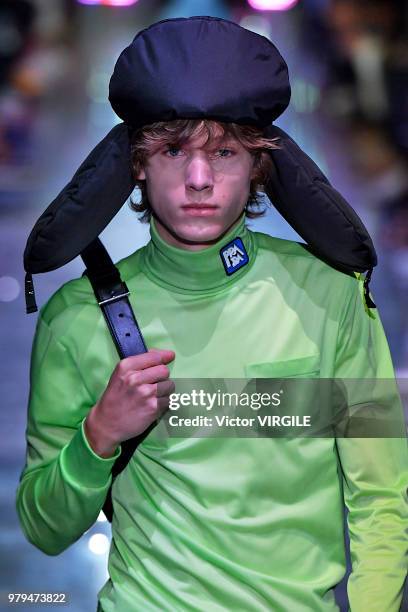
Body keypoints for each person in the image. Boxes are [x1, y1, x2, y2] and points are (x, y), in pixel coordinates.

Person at [16, 16, 407, 612]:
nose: (199, 179)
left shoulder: (329, 294)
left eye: (224, 151)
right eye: (173, 149)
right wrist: (98, 436)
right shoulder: (77, 318)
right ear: (138, 164)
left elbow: (380, 494)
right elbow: (44, 529)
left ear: (259, 165)